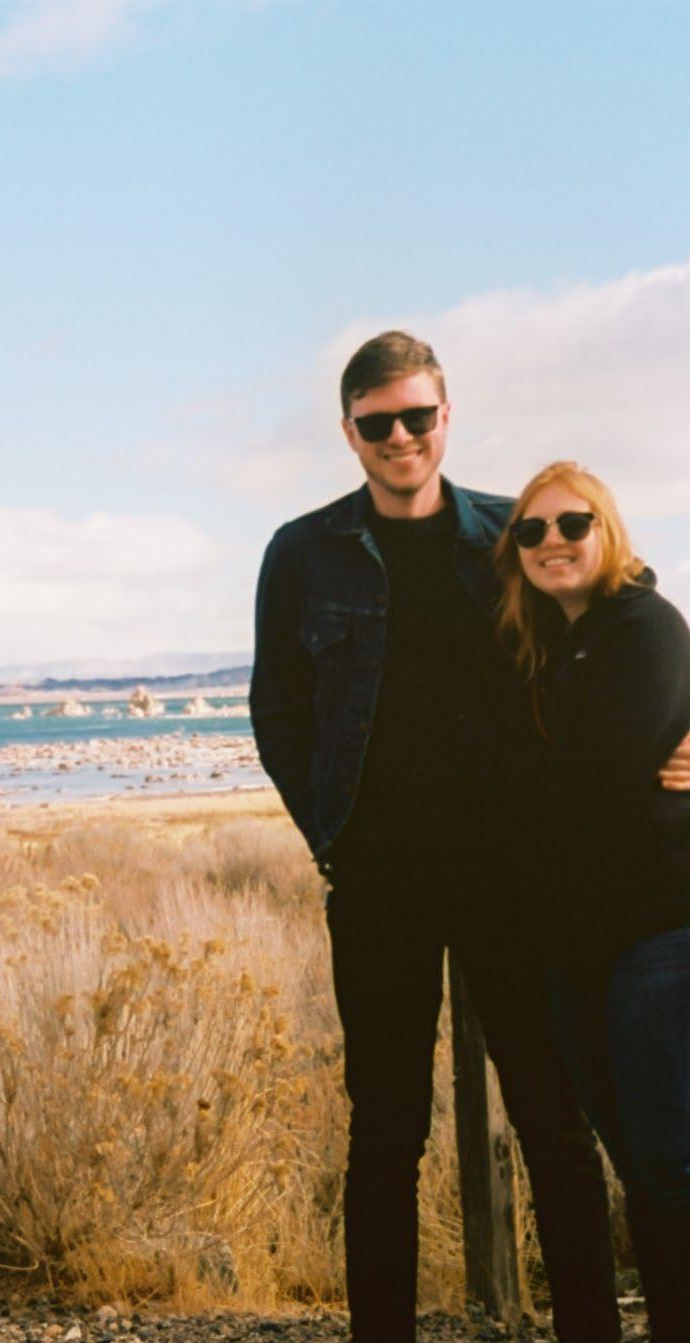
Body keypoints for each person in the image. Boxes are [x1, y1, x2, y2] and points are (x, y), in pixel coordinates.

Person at [249, 331, 622, 1342]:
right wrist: (332, 836)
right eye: (377, 422)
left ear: (445, 416)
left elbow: (622, 620)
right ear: (348, 432)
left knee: (550, 1117)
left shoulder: (512, 532)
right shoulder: (302, 552)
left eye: (417, 415)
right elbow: (277, 711)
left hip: (513, 878)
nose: (400, 436)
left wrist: (678, 727)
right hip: (380, 885)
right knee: (384, 1132)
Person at [483, 461, 690, 1341]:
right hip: (571, 942)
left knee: (667, 1164)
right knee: (631, 1157)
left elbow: (597, 776)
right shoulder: (536, 643)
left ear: (607, 530)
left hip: (653, 933)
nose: (552, 541)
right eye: (531, 530)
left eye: (573, 523)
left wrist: (503, 783)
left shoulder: (644, 625)